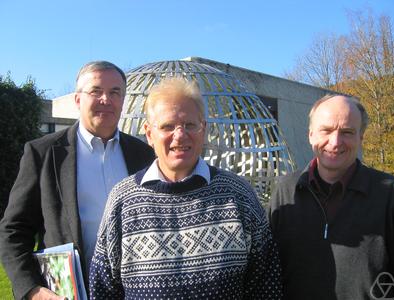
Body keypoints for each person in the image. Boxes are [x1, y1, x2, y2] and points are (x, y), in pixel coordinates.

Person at [89, 77, 283, 299]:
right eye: (167, 126)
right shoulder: (123, 200)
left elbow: (265, 286)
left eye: (190, 125)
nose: (180, 135)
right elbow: (104, 289)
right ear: (149, 133)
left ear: (204, 129)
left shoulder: (238, 195)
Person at [0, 61, 155, 300]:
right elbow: (12, 231)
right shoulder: (43, 153)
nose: (106, 99)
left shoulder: (144, 154)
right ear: (77, 99)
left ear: (123, 100)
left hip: (135, 291)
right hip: (69, 293)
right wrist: (32, 290)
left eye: (115, 92)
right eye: (96, 91)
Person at [269, 94, 394, 299]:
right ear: (311, 135)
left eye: (347, 132)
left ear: (361, 138)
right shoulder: (286, 191)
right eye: (326, 130)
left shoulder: (390, 193)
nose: (336, 141)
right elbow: (269, 269)